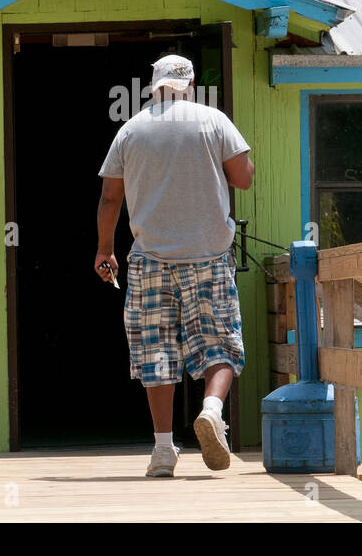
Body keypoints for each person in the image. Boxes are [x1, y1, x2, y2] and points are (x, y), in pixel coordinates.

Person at [95, 54, 255, 477]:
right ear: (189, 83)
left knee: (156, 351)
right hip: (208, 254)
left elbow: (111, 197)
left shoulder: (130, 130)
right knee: (220, 342)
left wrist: (105, 249)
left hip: (150, 259)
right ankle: (211, 410)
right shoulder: (213, 121)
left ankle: (163, 450)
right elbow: (244, 177)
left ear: (154, 84)